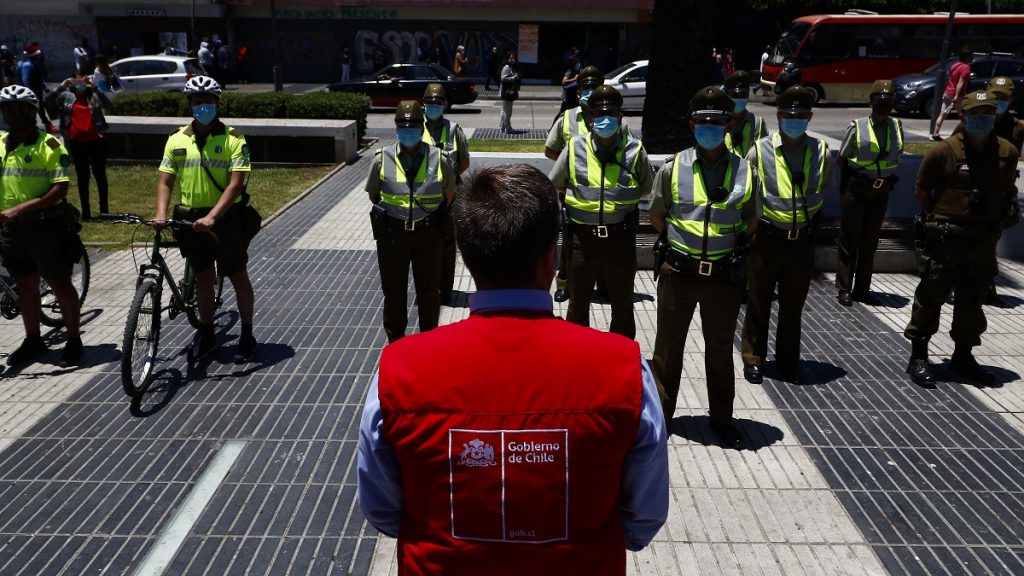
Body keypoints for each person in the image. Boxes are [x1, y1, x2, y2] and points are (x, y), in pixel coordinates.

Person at [357, 163, 669, 575]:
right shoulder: (624, 369)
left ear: (467, 258)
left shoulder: (398, 368)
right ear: (552, 257)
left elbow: (382, 510)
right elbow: (643, 517)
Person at [648, 86, 756, 449]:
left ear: (728, 125)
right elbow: (658, 215)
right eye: (702, 123)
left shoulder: (745, 170)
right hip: (679, 272)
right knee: (667, 348)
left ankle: (722, 420)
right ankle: (661, 418)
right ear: (692, 125)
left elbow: (751, 219)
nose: (709, 128)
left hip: (723, 277)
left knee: (720, 349)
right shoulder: (673, 167)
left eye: (717, 122)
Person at [905, 90, 1020, 388]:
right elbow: (922, 192)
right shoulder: (943, 152)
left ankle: (963, 356)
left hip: (982, 243)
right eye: (976, 115)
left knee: (972, 301)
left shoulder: (1007, 152)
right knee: (930, 296)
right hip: (945, 241)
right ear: (964, 117)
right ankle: (919, 355)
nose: (982, 120)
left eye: (988, 114)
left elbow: (1007, 193)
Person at [155, 76, 260, 363]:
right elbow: (165, 182)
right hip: (191, 218)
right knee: (202, 276)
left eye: (208, 102)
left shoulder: (233, 139)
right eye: (198, 102)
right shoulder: (176, 139)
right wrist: (161, 214)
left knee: (237, 275)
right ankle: (207, 330)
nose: (203, 107)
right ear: (189, 104)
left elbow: (236, 184)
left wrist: (214, 216)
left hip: (226, 218)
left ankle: (247, 335)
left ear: (218, 104)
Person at [741, 85, 833, 385]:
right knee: (759, 301)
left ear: (809, 117)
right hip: (767, 239)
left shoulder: (821, 152)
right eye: (788, 115)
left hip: (802, 241)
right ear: (779, 117)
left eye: (800, 115)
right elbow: (748, 195)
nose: (794, 119)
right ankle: (754, 357)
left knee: (793, 305)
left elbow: (824, 190)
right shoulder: (759, 151)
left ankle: (788, 361)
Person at [548, 85, 653, 339]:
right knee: (578, 303)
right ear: (590, 117)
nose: (605, 119)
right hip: (582, 240)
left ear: (620, 117)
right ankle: (578, 360)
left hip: (621, 239)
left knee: (623, 304)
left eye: (612, 114)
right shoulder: (574, 148)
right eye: (599, 114)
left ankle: (619, 359)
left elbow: (646, 189)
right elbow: (557, 183)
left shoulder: (635, 150)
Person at [0, 85, 83, 367]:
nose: (15, 113)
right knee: (25, 284)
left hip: (44, 226)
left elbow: (60, 189)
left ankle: (74, 340)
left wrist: (19, 209)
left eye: (22, 108)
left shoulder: (48, 144)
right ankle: (33, 339)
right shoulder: (0, 142)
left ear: (34, 111)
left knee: (60, 283)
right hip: (11, 229)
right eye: (9, 109)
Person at [366, 100, 456, 343]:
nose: (408, 132)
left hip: (428, 235)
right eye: (403, 127)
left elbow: (449, 194)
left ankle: (428, 342)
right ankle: (396, 342)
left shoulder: (440, 158)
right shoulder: (381, 158)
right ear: (396, 128)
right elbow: (374, 195)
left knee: (429, 292)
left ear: (420, 128)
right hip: (392, 235)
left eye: (413, 128)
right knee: (393, 292)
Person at [835, 79, 904, 307]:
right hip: (857, 188)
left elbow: (898, 154)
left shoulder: (897, 127)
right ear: (871, 101)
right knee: (849, 239)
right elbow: (842, 159)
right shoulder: (857, 127)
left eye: (888, 100)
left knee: (870, 241)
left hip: (881, 190)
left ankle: (862, 289)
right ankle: (844, 288)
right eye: (879, 100)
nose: (883, 104)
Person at [545, 65, 604, 303]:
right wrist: (569, 163)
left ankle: (604, 285)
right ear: (578, 93)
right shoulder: (567, 117)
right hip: (572, 191)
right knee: (570, 239)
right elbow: (550, 149)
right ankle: (565, 285)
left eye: (594, 87)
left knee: (605, 243)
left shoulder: (612, 117)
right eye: (584, 88)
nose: (589, 92)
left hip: (604, 192)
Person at [421, 83, 470, 305]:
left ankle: (446, 289)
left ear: (445, 105)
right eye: (430, 103)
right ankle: (426, 287)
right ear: (423, 104)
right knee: (423, 244)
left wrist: (447, 180)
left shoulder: (454, 129)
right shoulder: (415, 128)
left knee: (448, 244)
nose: (433, 107)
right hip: (422, 197)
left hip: (450, 196)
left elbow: (464, 161)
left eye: (438, 103)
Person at [978, 76, 1024, 306]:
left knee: (989, 243)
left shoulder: (1017, 128)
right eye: (995, 98)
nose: (999, 103)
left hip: (1000, 194)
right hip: (973, 192)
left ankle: (988, 288)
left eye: (1003, 99)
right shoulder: (976, 121)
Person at [45, 75, 112, 220]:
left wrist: (95, 87)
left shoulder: (93, 96)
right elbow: (47, 102)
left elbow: (109, 104)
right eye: (77, 81)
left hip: (96, 141)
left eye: (83, 80)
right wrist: (61, 87)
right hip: (76, 142)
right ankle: (86, 213)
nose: (80, 84)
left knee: (100, 175)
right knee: (83, 177)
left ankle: (104, 211)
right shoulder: (66, 96)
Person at [723, 70, 768, 157]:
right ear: (727, 95)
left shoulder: (757, 123)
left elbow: (764, 155)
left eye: (744, 94)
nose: (740, 98)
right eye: (735, 95)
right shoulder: (718, 122)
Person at [931, 49, 973, 141]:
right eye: (971, 56)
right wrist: (957, 96)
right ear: (967, 57)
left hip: (947, 92)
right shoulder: (966, 68)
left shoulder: (954, 65)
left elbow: (952, 79)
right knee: (964, 114)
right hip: (957, 95)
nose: (973, 58)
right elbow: (960, 82)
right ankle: (968, 134)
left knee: (942, 114)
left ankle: (935, 133)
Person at [17, 44, 56, 133]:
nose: (40, 55)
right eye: (39, 54)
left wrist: (44, 86)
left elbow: (39, 77)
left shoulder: (34, 63)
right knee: (34, 109)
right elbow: (25, 79)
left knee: (40, 107)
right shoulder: (27, 65)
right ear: (34, 55)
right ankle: (39, 126)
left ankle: (44, 125)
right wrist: (28, 92)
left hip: (37, 90)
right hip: (32, 91)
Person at [499, 52, 520, 134]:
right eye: (510, 58)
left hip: (507, 92)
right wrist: (513, 78)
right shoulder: (507, 67)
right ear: (507, 59)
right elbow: (503, 78)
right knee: (507, 111)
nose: (512, 60)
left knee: (504, 110)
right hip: (507, 92)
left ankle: (502, 127)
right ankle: (508, 128)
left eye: (513, 58)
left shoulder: (510, 67)